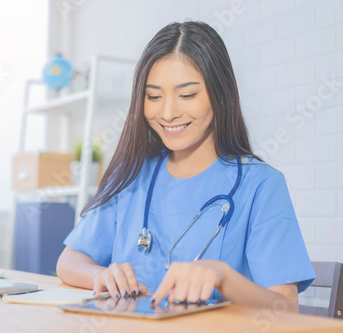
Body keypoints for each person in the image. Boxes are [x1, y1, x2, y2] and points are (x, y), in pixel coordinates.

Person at [56, 21, 315, 311]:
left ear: (220, 94)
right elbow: (69, 261)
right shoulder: (131, 176)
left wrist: (224, 278)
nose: (167, 113)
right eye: (153, 96)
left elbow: (286, 307)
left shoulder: (261, 185)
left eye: (187, 95)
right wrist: (102, 275)